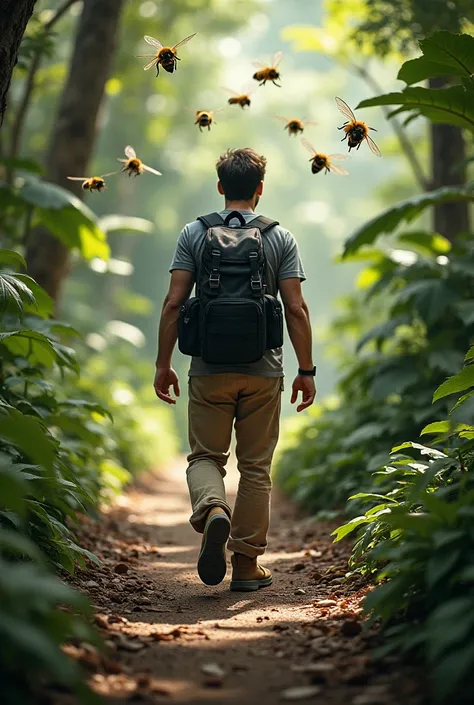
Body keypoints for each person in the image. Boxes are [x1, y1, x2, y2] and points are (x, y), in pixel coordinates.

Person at [154, 147, 316, 591]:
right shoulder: (280, 238)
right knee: (256, 468)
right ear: (260, 189)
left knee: (206, 457)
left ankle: (212, 510)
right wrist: (307, 370)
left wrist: (163, 363)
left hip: (208, 368)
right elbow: (296, 309)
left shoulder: (194, 233)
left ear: (221, 186)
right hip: (264, 371)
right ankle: (245, 567)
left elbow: (173, 303)